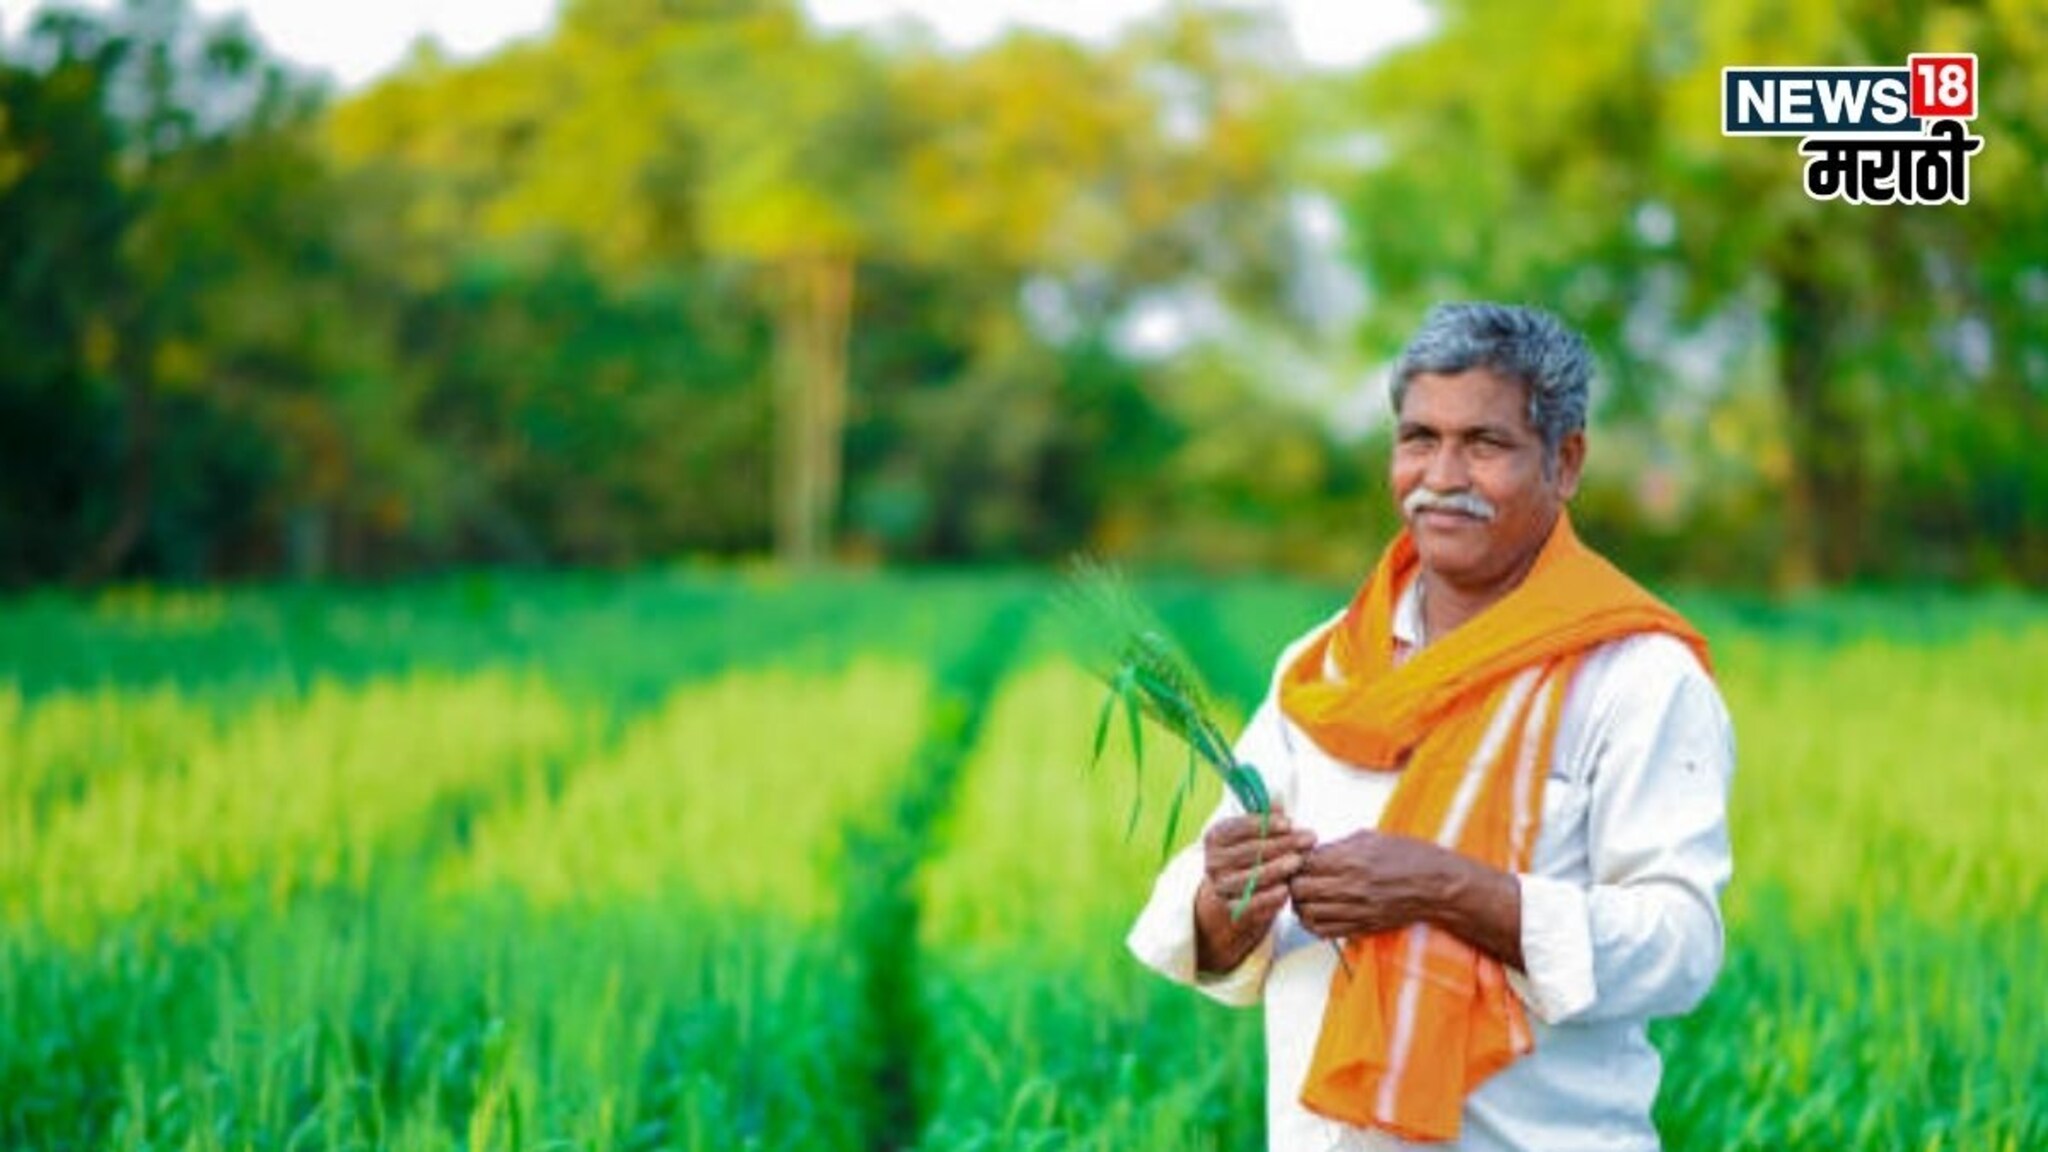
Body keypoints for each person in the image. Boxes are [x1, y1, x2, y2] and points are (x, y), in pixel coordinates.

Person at [1128, 302, 1735, 1151]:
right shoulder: (1327, 663)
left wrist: (1451, 889)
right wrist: (1223, 896)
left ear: (1565, 462)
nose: (1441, 475)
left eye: (1484, 445)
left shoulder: (1634, 676)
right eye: (1419, 438)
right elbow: (1213, 919)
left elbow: (1681, 945)